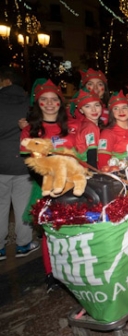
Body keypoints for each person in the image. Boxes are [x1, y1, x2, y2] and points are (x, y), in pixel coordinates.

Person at [20, 79, 75, 292]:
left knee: (71, 230)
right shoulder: (30, 131)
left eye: (54, 99)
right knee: (50, 233)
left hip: (72, 186)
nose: (50, 103)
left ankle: (72, 270)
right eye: (44, 100)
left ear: (60, 103)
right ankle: (51, 274)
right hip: (47, 188)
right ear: (37, 102)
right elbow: (33, 165)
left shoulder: (69, 127)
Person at [0, 67, 39, 261]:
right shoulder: (28, 104)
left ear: (6, 81)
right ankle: (23, 245)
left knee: (0, 206)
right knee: (23, 205)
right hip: (22, 164)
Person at [98, 91, 128, 170]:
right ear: (112, 113)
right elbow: (103, 163)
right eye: (116, 108)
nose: (121, 111)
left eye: (124, 107)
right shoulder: (107, 133)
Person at [73, 90, 103, 168]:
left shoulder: (86, 124)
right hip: (86, 167)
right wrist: (94, 174)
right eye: (87, 106)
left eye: (96, 105)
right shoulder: (90, 127)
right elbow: (91, 153)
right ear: (81, 110)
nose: (93, 110)